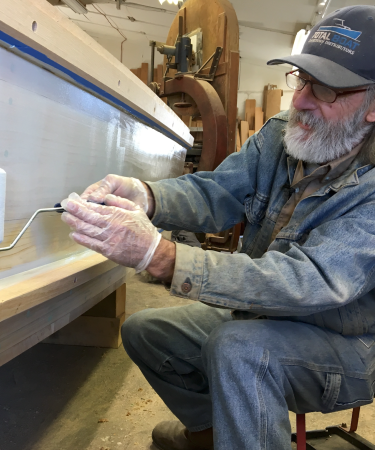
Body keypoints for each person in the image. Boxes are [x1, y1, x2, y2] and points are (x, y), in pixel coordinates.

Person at [61, 5, 375, 449]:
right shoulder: (282, 134)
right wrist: (147, 196)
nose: (300, 100)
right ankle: (212, 435)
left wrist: (163, 257)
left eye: (324, 89)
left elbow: (307, 281)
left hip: (349, 344)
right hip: (264, 315)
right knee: (146, 332)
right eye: (301, 80)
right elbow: (217, 193)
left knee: (240, 347)